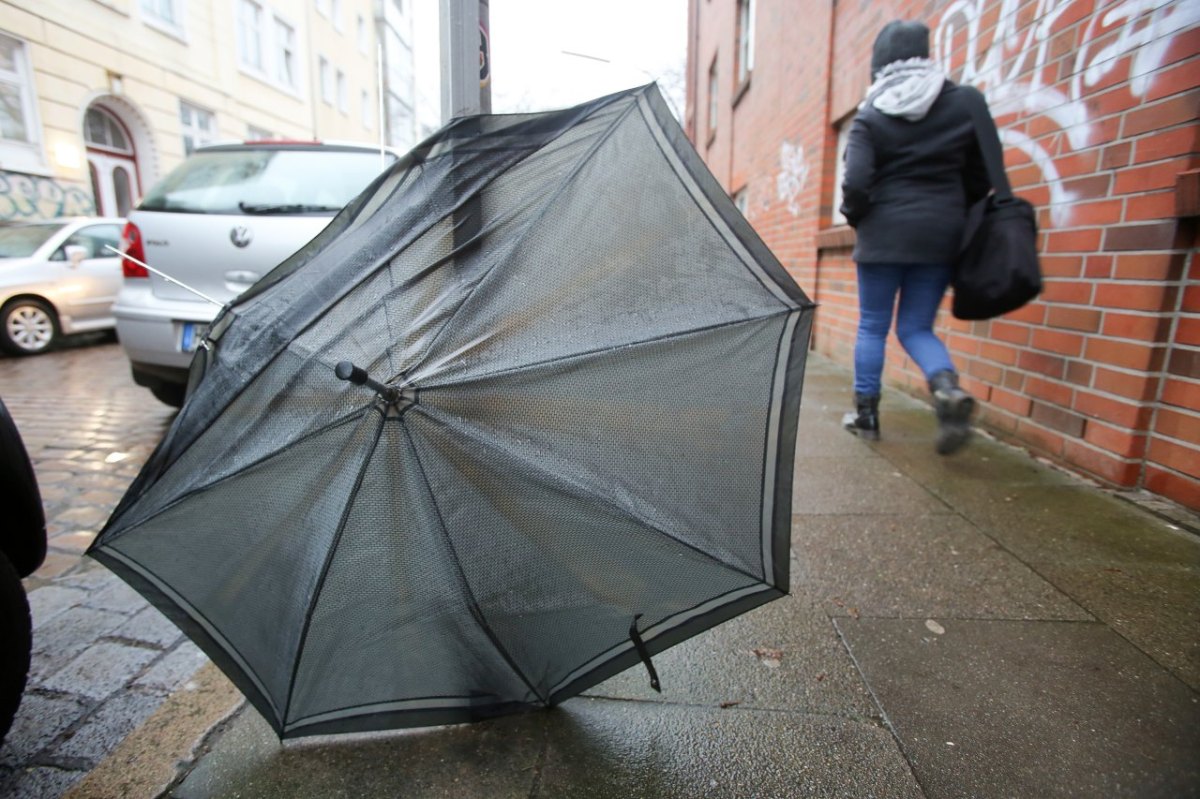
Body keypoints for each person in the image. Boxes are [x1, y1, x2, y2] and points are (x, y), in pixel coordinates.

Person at [839, 19, 993, 455]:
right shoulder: (964, 103)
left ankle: (866, 416)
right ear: (926, 55)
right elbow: (981, 175)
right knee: (916, 327)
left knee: (872, 325)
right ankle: (946, 391)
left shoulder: (871, 113)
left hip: (883, 234)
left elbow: (855, 182)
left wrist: (858, 219)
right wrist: (946, 210)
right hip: (940, 235)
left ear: (880, 64)